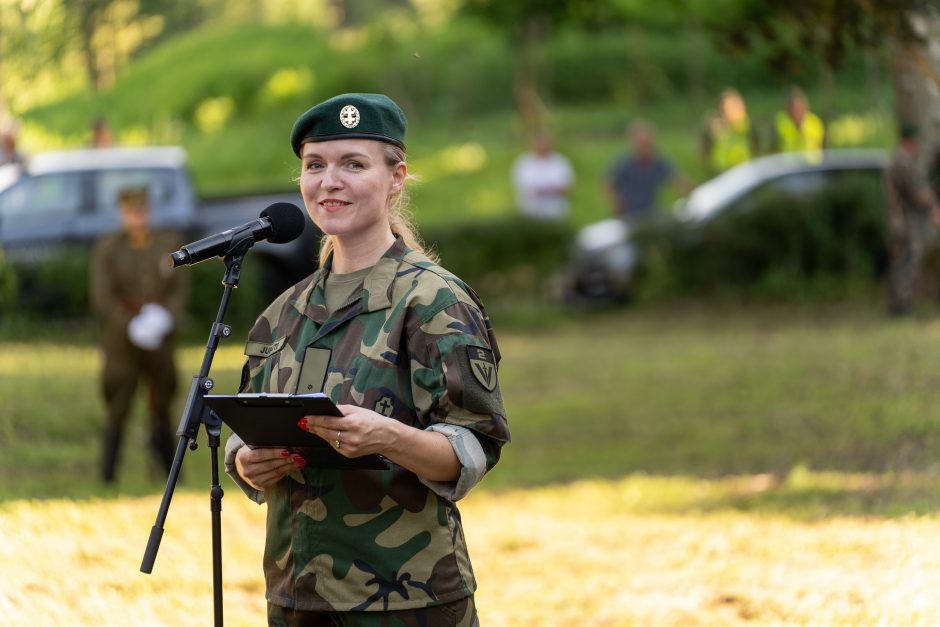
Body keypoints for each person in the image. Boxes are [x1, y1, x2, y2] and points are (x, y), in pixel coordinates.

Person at [224, 93, 510, 625]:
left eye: (353, 164)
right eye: (315, 166)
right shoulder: (282, 313)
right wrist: (247, 462)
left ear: (396, 177)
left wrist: (387, 437)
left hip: (406, 598)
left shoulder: (432, 302)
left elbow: (473, 448)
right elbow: (251, 428)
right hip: (296, 597)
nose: (329, 181)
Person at [90, 186, 187, 483]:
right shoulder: (109, 248)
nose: (137, 217)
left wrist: (166, 316)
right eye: (131, 211)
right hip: (123, 339)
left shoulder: (167, 243)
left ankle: (169, 470)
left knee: (163, 402)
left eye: (142, 210)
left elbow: (179, 287)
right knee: (119, 401)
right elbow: (101, 294)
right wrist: (127, 322)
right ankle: (108, 474)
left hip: (159, 336)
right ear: (122, 213)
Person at [884, 122, 940, 316]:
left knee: (900, 263)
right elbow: (916, 192)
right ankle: (901, 307)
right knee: (907, 263)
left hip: (897, 222)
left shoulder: (894, 160)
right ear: (909, 141)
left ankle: (898, 305)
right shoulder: (903, 162)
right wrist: (933, 208)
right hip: (905, 224)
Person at [606, 119, 689, 223]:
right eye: (642, 143)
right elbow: (609, 183)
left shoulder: (658, 161)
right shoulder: (625, 163)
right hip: (629, 215)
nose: (645, 146)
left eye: (648, 142)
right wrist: (617, 205)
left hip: (651, 213)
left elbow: (677, 180)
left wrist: (693, 195)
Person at [510, 130, 575, 220]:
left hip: (556, 213)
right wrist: (552, 189)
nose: (542, 146)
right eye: (539, 143)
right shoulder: (523, 163)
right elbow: (522, 188)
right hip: (530, 214)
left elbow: (568, 188)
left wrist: (547, 190)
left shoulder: (561, 161)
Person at [700, 88, 759, 176]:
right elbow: (704, 150)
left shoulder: (747, 125)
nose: (727, 112)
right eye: (724, 108)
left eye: (731, 107)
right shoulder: (713, 125)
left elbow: (756, 147)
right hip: (720, 173)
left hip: (744, 172)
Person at [771, 87, 825, 156]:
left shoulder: (815, 122)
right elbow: (774, 147)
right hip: (788, 165)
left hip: (811, 165)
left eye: (799, 108)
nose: (796, 112)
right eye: (793, 108)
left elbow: (822, 146)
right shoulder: (781, 123)